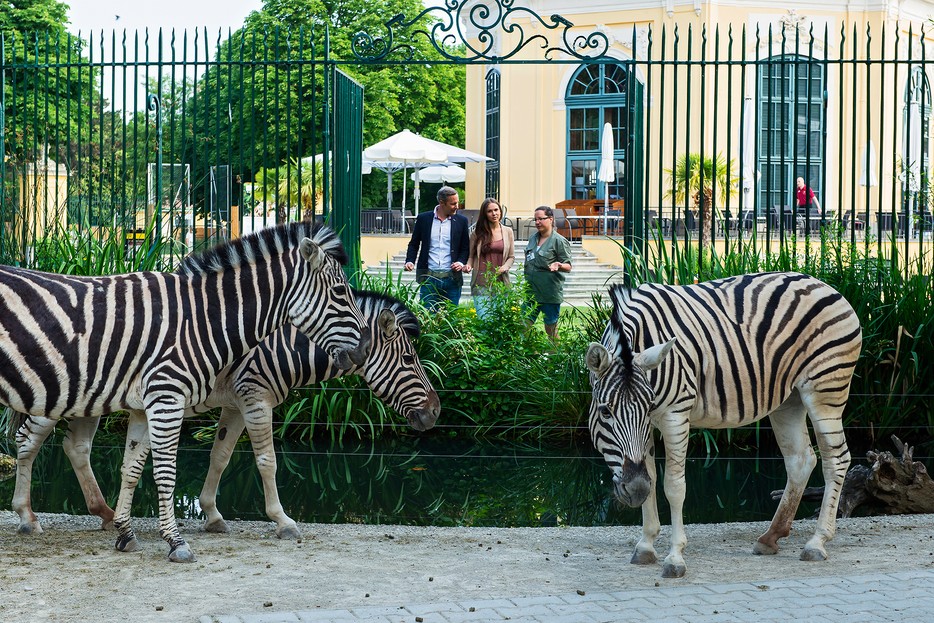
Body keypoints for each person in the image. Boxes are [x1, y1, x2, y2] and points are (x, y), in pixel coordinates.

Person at [404, 186, 471, 309]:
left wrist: (461, 262)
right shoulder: (423, 219)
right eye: (453, 203)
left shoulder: (461, 221)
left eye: (457, 202)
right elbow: (414, 244)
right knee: (427, 315)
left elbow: (465, 247)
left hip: (452, 279)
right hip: (428, 278)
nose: (457, 206)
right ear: (441, 202)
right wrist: (410, 261)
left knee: (451, 316)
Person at [523, 205, 572, 341]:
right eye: (535, 219)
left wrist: (559, 265)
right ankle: (532, 351)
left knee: (550, 330)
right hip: (531, 292)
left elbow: (568, 266)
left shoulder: (559, 241)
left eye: (541, 219)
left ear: (551, 219)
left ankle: (555, 353)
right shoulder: (533, 238)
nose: (537, 222)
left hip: (549, 294)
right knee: (523, 325)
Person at [468, 197, 515, 320]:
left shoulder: (508, 231)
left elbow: (511, 257)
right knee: (485, 320)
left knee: (500, 321)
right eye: (489, 211)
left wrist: (505, 267)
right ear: (484, 214)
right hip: (481, 282)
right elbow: (471, 256)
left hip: (501, 282)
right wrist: (468, 265)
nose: (494, 213)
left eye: (496, 210)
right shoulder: (476, 233)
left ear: (500, 211)